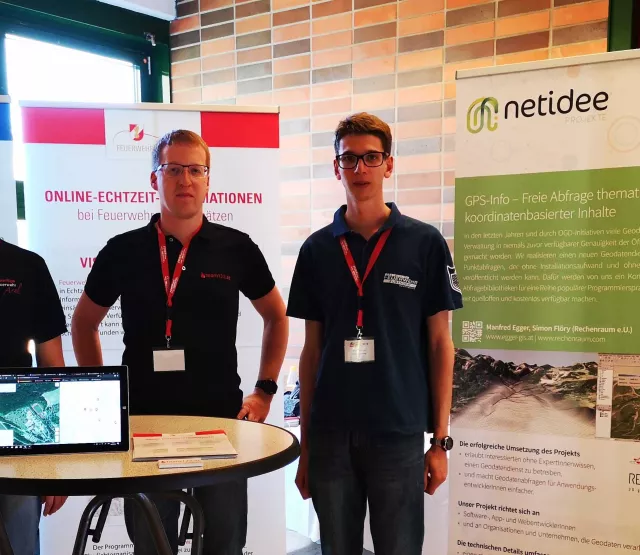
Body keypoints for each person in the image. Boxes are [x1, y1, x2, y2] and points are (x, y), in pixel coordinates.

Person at [71, 130, 288, 555]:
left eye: (195, 170)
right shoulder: (123, 250)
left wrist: (264, 390)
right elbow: (83, 324)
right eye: (173, 169)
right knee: (153, 544)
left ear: (208, 181)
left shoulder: (236, 248)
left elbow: (276, 317)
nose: (184, 180)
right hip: (146, 424)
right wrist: (104, 402)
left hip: (221, 422)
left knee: (224, 543)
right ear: (155, 179)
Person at [287, 113, 463, 555]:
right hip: (331, 434)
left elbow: (441, 344)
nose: (360, 168)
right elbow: (312, 352)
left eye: (371, 157)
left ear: (389, 164)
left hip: (398, 430)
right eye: (349, 159)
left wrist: (440, 441)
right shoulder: (316, 250)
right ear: (336, 167)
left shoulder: (425, 243)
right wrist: (307, 447)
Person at [0, 239, 68, 555]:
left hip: (18, 438)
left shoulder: (27, 265)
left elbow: (53, 371)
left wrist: (54, 463)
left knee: (19, 544)